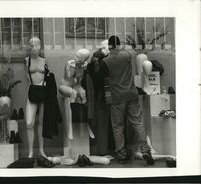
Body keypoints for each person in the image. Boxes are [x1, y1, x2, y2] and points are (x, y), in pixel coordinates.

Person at [101, 35, 154, 165]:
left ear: (109, 46)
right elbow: (124, 53)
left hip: (116, 97)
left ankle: (122, 155)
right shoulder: (127, 55)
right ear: (119, 45)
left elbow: (104, 79)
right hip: (131, 94)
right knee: (138, 122)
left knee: (118, 126)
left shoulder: (105, 61)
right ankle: (145, 150)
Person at [59, 49, 94, 140]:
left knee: (84, 94)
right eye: (76, 55)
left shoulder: (84, 65)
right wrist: (74, 67)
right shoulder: (70, 64)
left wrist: (82, 68)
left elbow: (80, 81)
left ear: (84, 59)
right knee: (73, 93)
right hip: (65, 86)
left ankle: (86, 125)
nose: (75, 58)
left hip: (76, 86)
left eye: (78, 57)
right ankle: (71, 128)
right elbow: (69, 78)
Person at [24, 37, 48, 159]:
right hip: (32, 90)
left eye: (37, 44)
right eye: (32, 45)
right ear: (29, 47)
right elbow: (27, 76)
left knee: (42, 122)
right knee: (29, 123)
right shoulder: (26, 60)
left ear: (40, 46)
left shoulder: (44, 60)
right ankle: (30, 152)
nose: (34, 47)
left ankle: (41, 150)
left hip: (43, 90)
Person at [87, 40, 111, 155]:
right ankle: (102, 150)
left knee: (98, 123)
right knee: (104, 124)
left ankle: (99, 150)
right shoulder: (105, 62)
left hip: (95, 96)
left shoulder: (92, 63)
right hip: (104, 96)